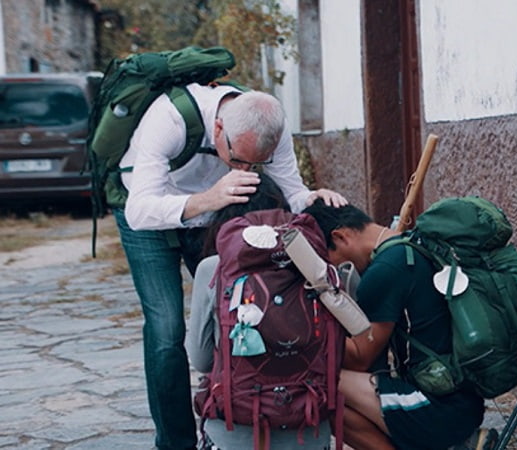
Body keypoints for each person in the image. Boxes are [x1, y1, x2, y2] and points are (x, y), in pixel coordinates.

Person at [114, 85, 346, 450]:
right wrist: (209, 198)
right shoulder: (170, 119)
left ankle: (239, 405)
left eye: (256, 164)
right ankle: (176, 443)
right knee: (166, 330)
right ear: (218, 129)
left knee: (237, 307)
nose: (245, 170)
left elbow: (291, 192)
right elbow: (139, 210)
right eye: (238, 160)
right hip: (152, 218)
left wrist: (314, 199)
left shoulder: (271, 123)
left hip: (217, 214)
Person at [301, 200, 495, 450]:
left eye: (329, 260)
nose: (333, 270)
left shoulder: (384, 271)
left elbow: (361, 358)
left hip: (438, 412)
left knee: (319, 383)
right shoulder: (409, 243)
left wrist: (307, 333)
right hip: (462, 404)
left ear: (339, 237)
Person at [187, 173, 331, 449]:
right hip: (308, 427)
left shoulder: (213, 267)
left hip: (234, 432)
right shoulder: (315, 264)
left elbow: (201, 359)